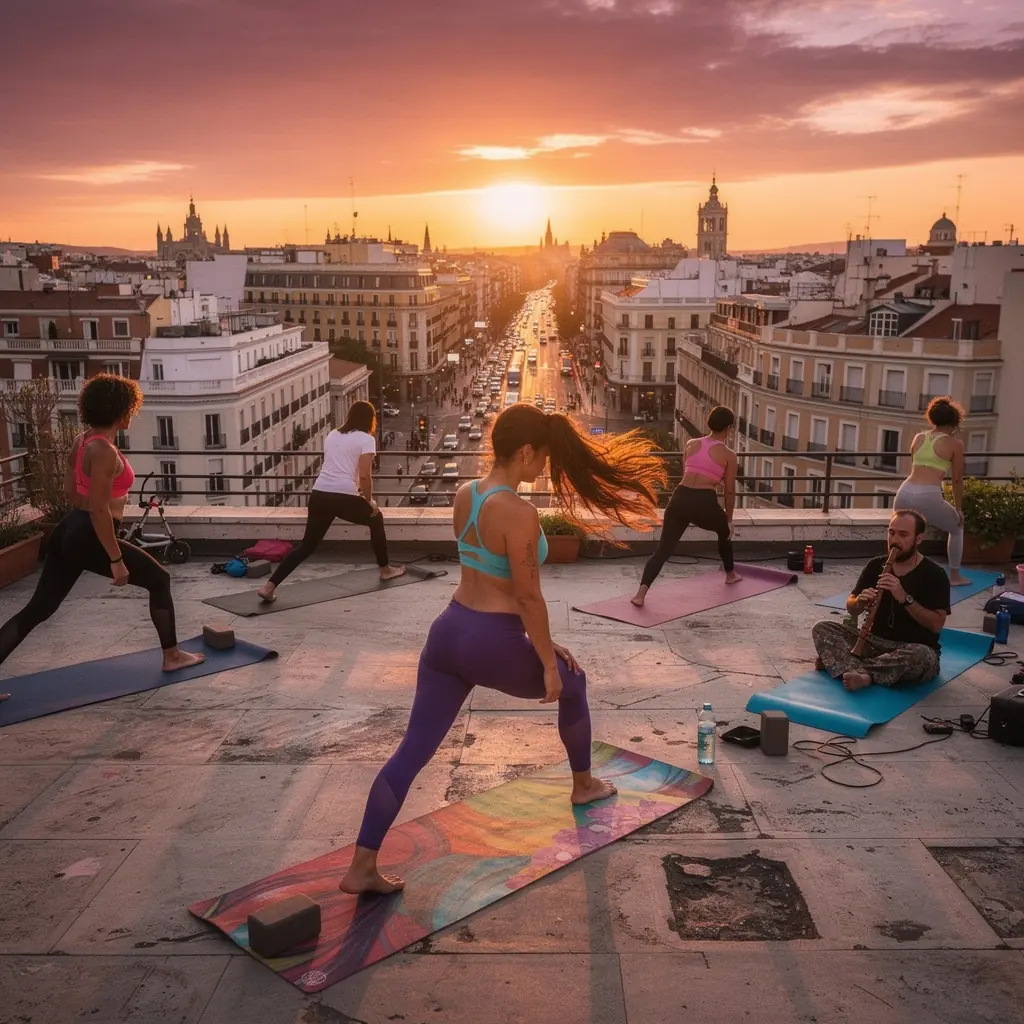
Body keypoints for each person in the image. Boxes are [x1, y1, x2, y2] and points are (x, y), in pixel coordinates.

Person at [338, 404, 666, 895]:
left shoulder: (466, 493)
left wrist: (542, 642)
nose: (543, 470)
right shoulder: (518, 510)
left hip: (448, 631)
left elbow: (489, 577)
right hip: (489, 639)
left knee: (413, 750)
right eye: (542, 460)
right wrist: (549, 667)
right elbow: (528, 595)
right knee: (573, 684)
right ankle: (583, 786)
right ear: (526, 452)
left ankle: (361, 865)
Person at [0, 374, 204, 699]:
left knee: (39, 609)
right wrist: (116, 560)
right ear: (121, 411)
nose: (132, 415)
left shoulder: (82, 441)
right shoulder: (106, 451)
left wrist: (92, 513)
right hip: (88, 534)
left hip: (69, 529)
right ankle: (172, 656)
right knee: (160, 579)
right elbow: (99, 511)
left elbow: (71, 492)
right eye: (131, 409)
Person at [256, 401, 405, 602]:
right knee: (376, 519)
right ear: (370, 420)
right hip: (343, 496)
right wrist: (369, 501)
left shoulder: (333, 434)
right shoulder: (366, 439)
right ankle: (385, 570)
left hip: (319, 494)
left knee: (306, 546)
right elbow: (364, 476)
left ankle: (268, 587)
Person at [811, 510, 950, 692]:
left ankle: (860, 672)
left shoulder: (935, 574)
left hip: (911, 647)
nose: (894, 540)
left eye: (903, 534)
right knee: (822, 628)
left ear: (919, 539)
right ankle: (869, 669)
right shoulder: (876, 565)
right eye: (891, 532)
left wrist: (905, 598)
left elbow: (936, 624)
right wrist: (859, 602)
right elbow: (851, 607)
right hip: (873, 642)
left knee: (923, 657)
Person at [632, 406, 740, 607]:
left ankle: (640, 595)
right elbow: (730, 491)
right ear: (729, 428)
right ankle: (731, 574)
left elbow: (689, 473)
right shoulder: (729, 455)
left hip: (679, 498)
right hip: (703, 502)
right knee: (724, 531)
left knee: (662, 551)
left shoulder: (691, 443)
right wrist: (730, 519)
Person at [894, 396, 968, 585]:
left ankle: (894, 572)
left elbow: (915, 466)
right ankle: (955, 577)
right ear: (953, 422)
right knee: (957, 527)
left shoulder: (919, 437)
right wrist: (958, 508)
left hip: (904, 492)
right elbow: (957, 479)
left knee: (901, 533)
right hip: (927, 494)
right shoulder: (955, 444)